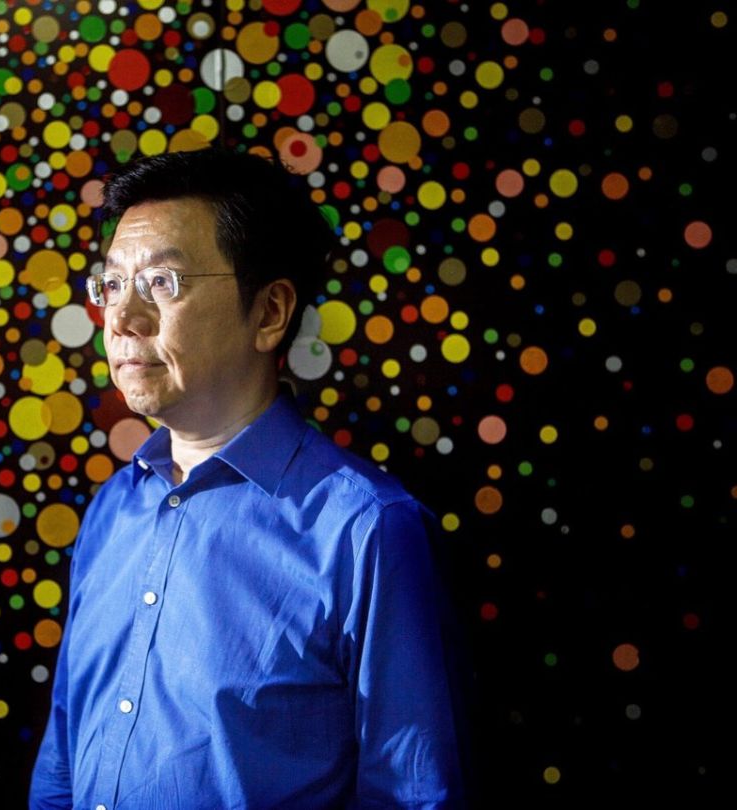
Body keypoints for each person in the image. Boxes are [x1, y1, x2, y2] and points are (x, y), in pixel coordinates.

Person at [29, 148, 467, 809]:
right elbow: (63, 759)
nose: (121, 319)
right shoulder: (113, 508)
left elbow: (413, 795)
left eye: (162, 283)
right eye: (112, 285)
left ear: (269, 313)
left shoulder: (368, 530)